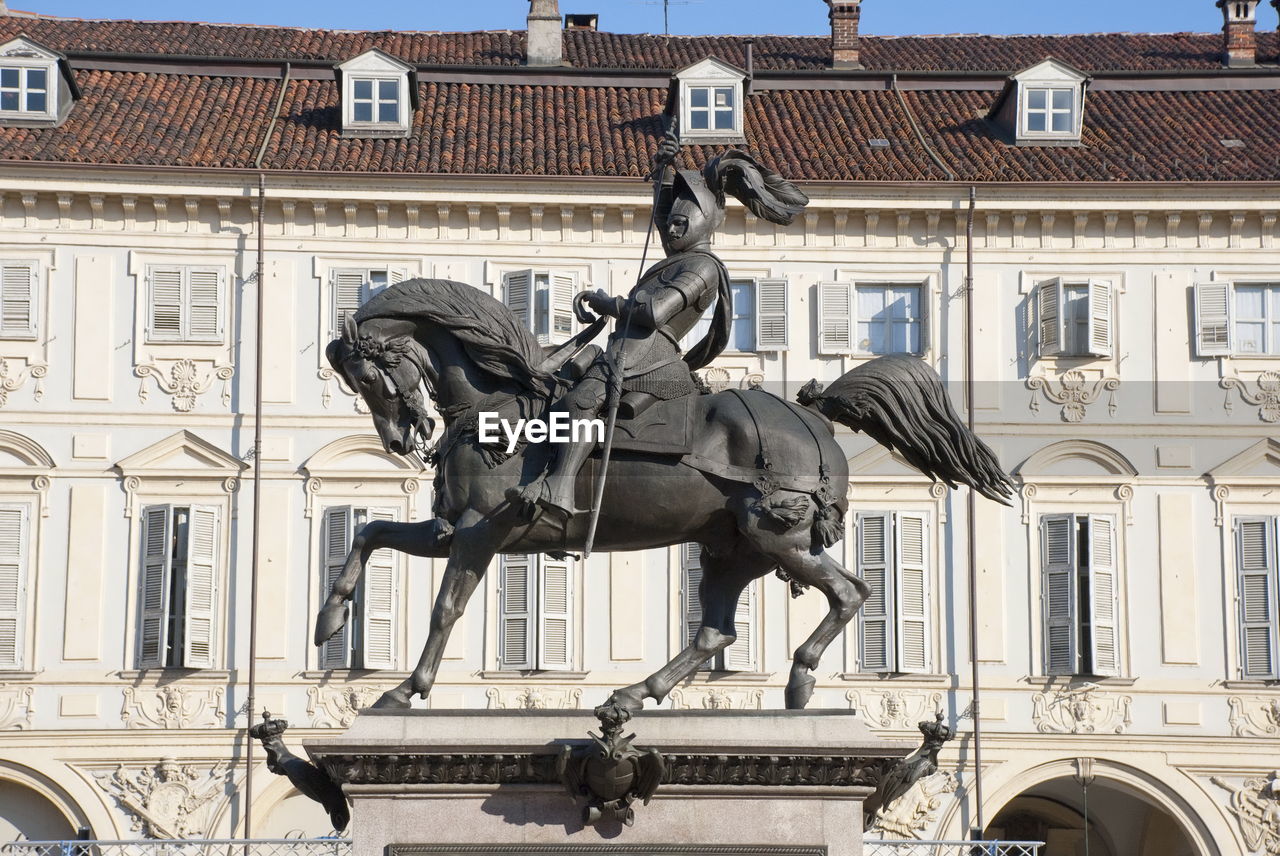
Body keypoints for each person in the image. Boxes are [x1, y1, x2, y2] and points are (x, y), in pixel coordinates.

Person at [510, 127, 808, 519]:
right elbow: (664, 212)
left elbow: (653, 313)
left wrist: (605, 301)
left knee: (580, 402)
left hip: (649, 361)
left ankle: (560, 490)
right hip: (627, 353)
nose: (670, 228)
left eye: (681, 224)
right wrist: (663, 168)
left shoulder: (702, 267)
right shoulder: (677, 258)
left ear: (702, 224)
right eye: (670, 224)